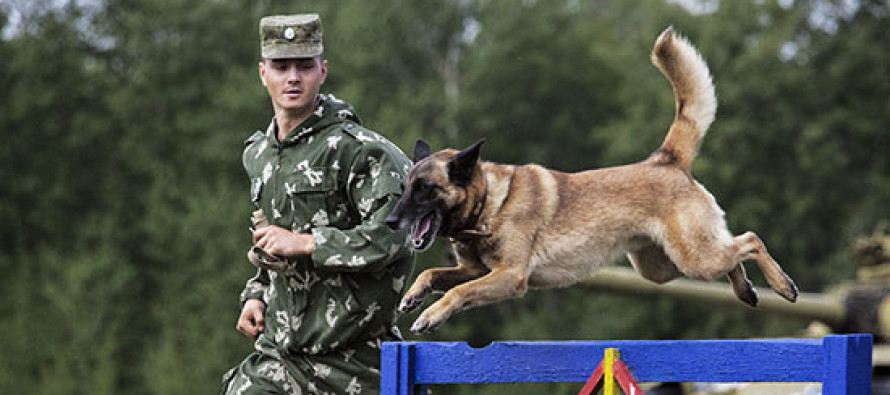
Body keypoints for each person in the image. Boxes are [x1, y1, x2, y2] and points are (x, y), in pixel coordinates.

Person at [221, 14, 415, 395]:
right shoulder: (258, 155)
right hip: (281, 357)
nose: (293, 77)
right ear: (263, 74)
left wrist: (310, 243)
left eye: (304, 66)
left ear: (322, 71)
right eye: (281, 67)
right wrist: (257, 294)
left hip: (354, 362)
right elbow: (269, 240)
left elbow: (400, 235)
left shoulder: (362, 152)